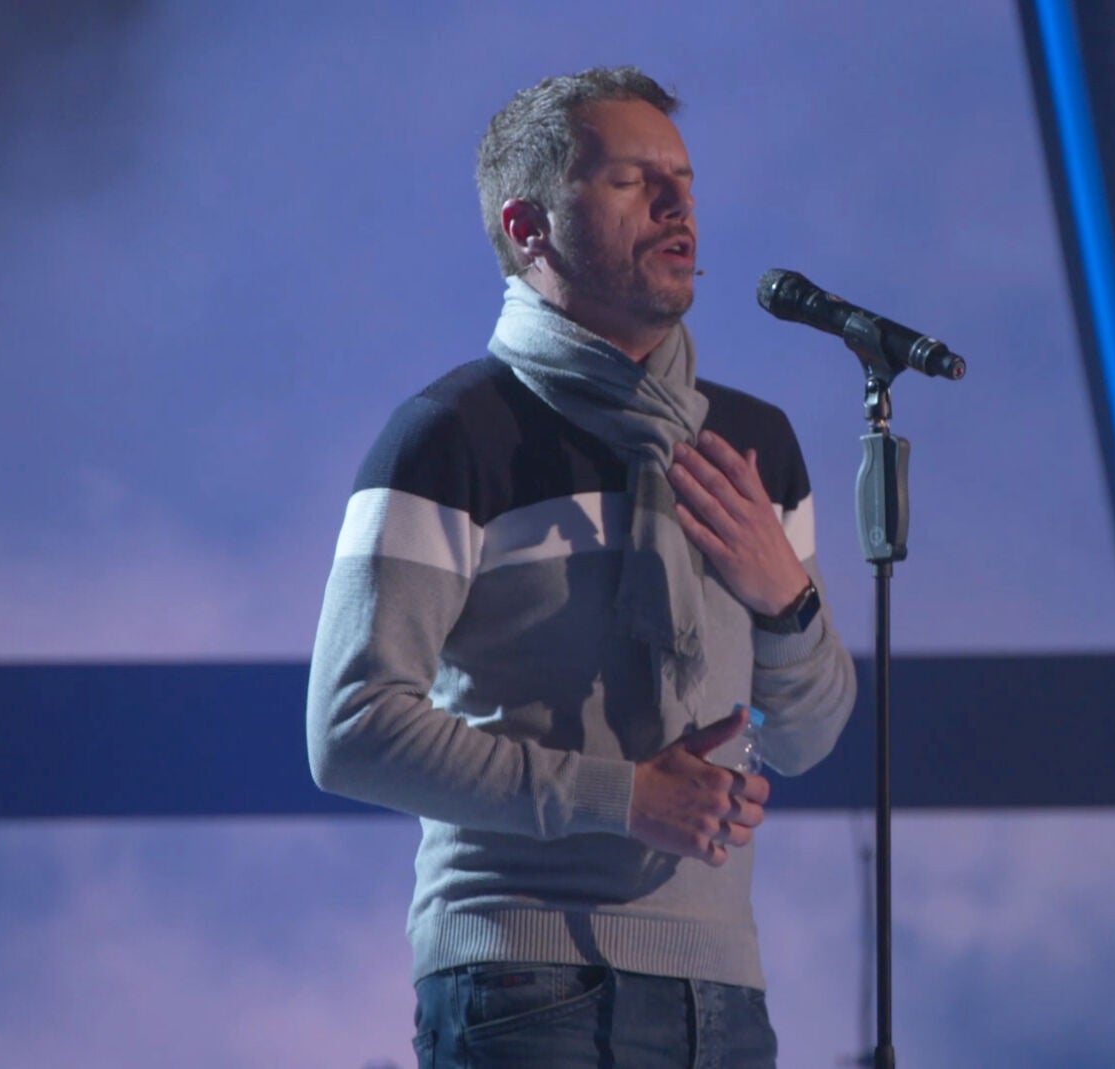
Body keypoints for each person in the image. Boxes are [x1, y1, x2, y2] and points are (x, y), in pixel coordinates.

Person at [306, 66, 857, 1068]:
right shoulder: (452, 436)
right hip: (524, 980)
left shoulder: (750, 446)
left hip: (724, 994)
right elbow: (350, 729)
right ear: (529, 227)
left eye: (683, 178)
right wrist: (623, 797)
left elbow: (811, 735)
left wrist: (789, 602)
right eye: (630, 180)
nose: (676, 202)